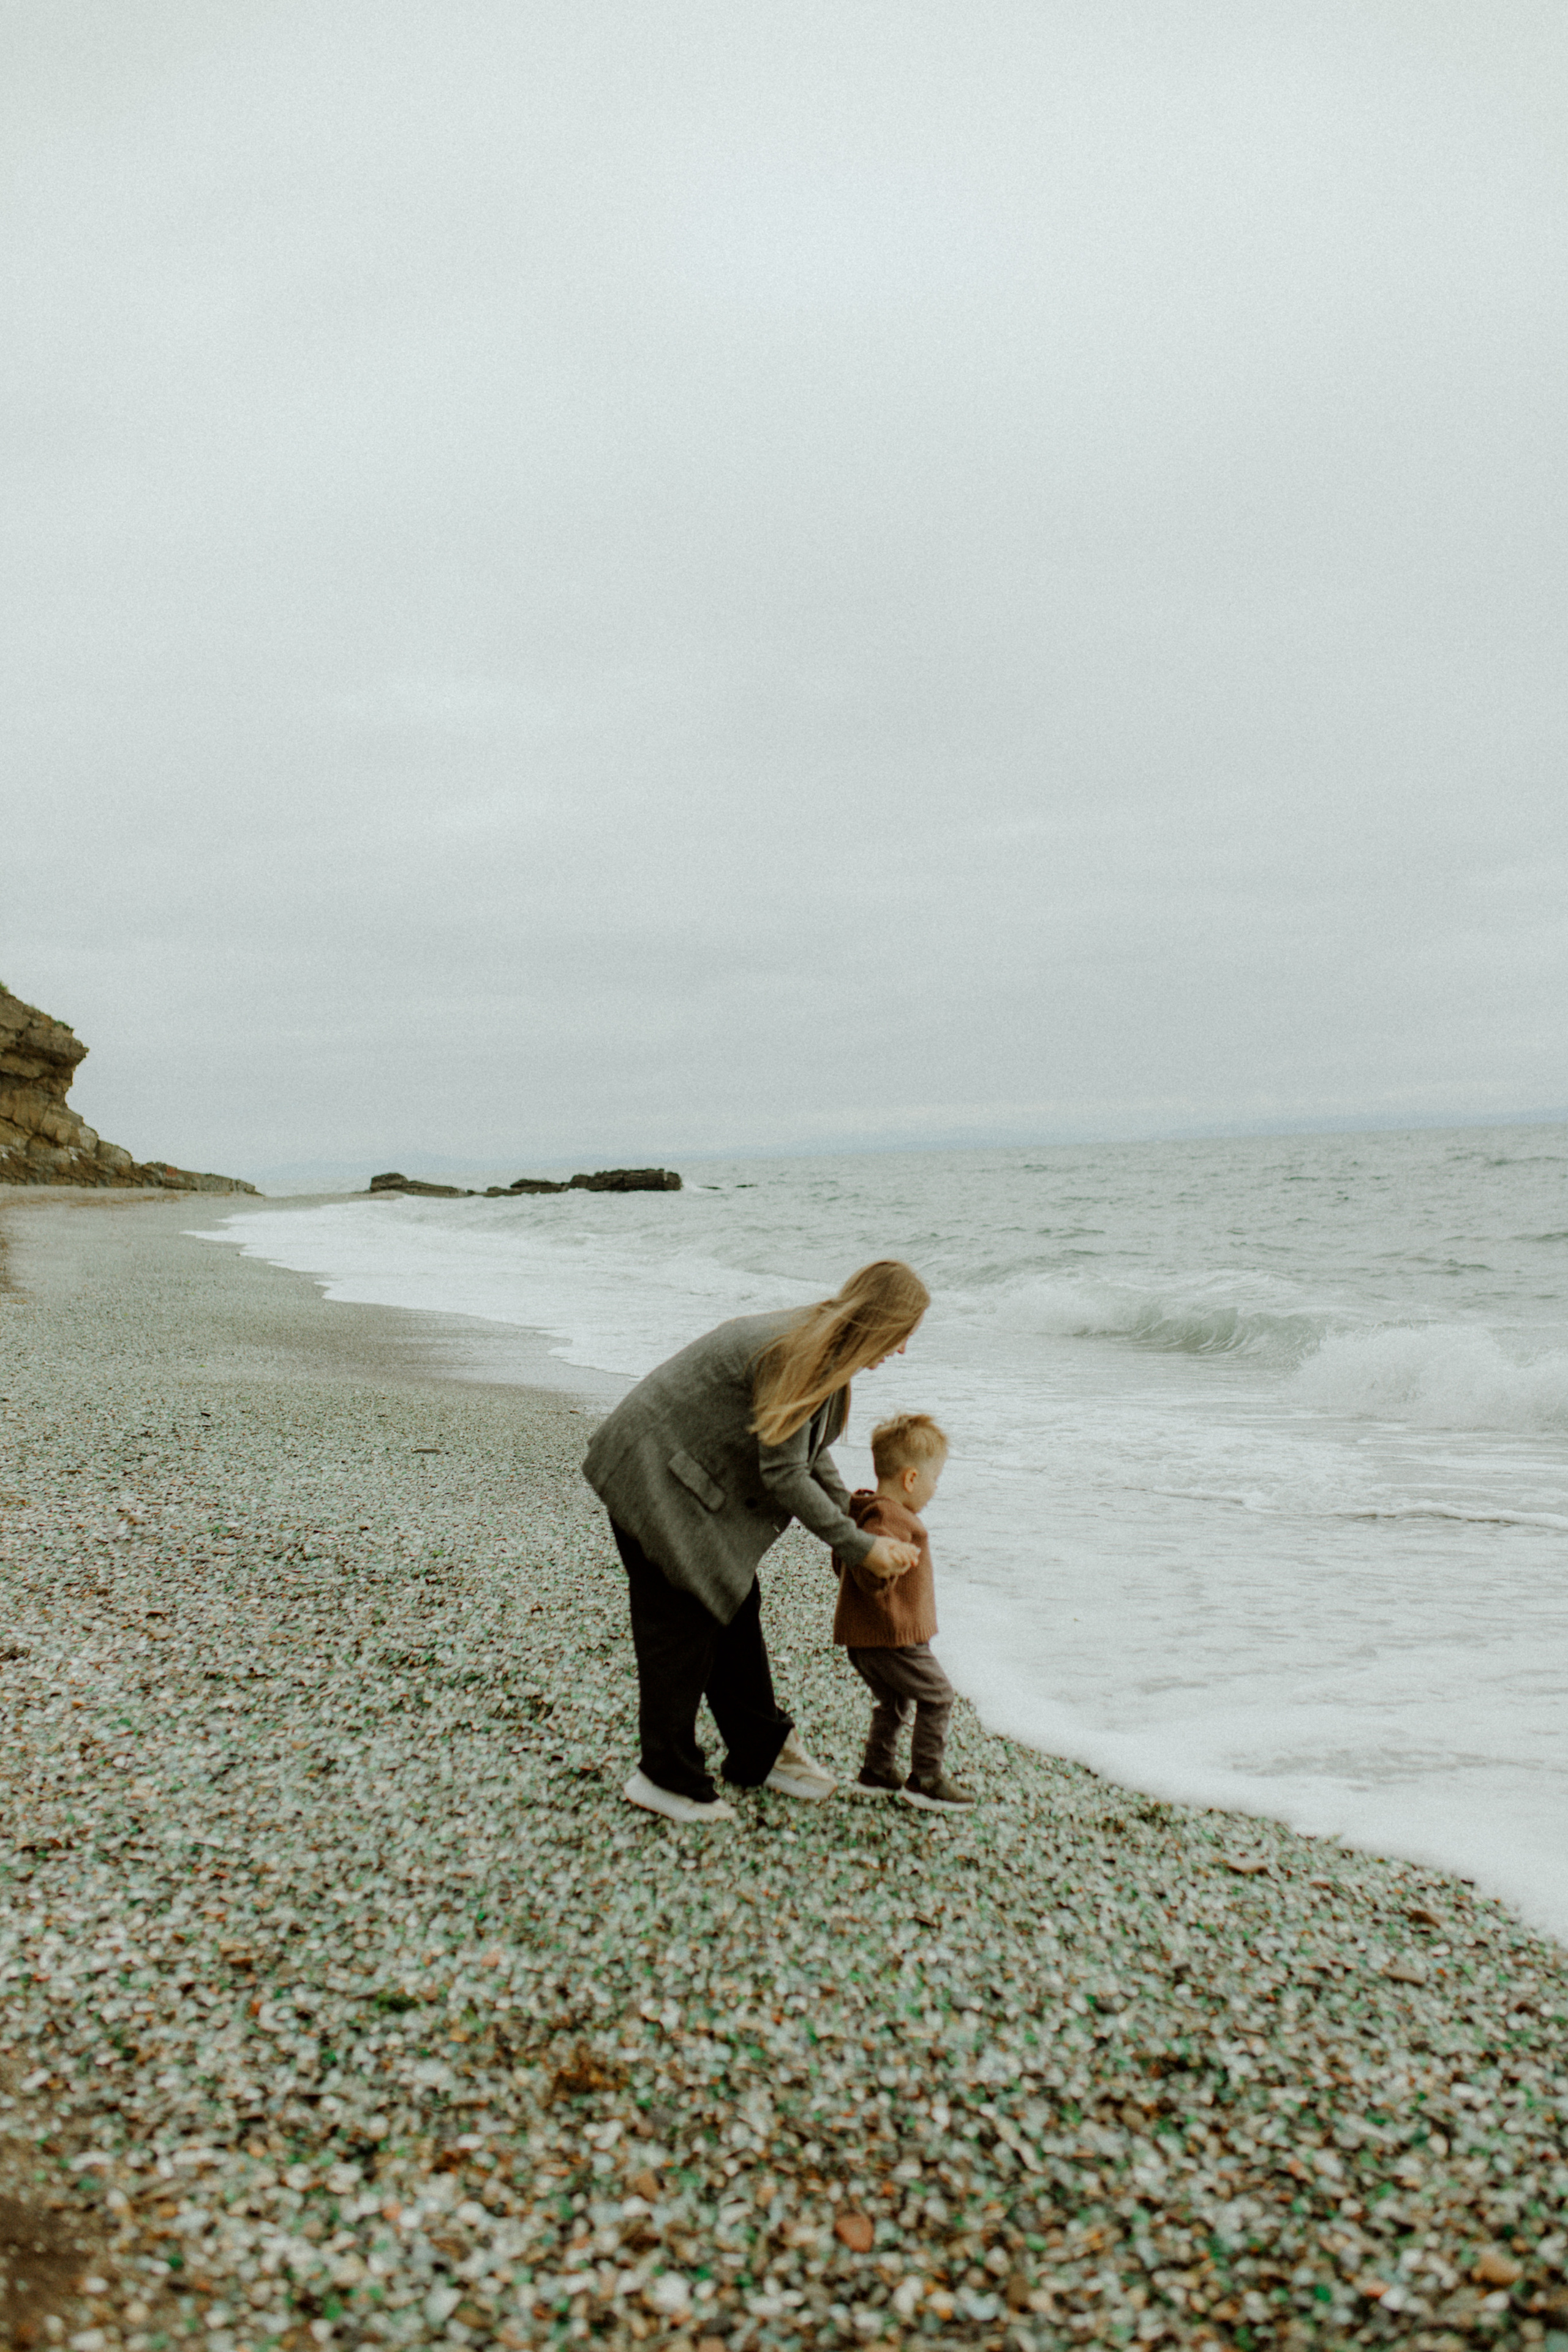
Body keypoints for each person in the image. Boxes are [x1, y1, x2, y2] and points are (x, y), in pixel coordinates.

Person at [582, 1260, 930, 1825]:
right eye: (905, 1334)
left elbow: (811, 1453)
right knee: (682, 1625)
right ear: (883, 1322)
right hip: (653, 1474)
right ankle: (663, 1776)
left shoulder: (826, 1345)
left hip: (685, 1477)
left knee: (734, 1605)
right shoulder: (802, 1352)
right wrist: (856, 1547)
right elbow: (784, 1473)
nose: (904, 1350)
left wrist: (857, 1519)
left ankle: (760, 1753)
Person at [831, 1411, 974, 1811]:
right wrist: (887, 1566)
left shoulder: (867, 1512)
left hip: (871, 1639)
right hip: (891, 1638)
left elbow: (843, 1556)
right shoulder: (890, 1518)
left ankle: (877, 1771)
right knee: (939, 1696)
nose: (935, 1489)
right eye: (935, 1480)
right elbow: (865, 1569)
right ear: (911, 1479)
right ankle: (926, 1778)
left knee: (894, 1703)